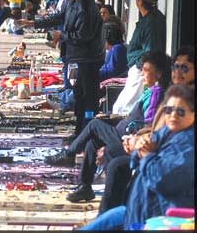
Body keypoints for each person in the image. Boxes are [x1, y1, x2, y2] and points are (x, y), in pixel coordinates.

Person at [45, 51, 170, 204]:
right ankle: (85, 187)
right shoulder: (149, 92)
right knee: (92, 143)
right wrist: (111, 118)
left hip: (127, 138)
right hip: (120, 131)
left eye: (146, 71)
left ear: (158, 73)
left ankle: (69, 153)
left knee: (94, 125)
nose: (142, 74)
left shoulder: (157, 93)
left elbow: (149, 123)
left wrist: (132, 134)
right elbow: (133, 116)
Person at [78, 84, 194, 230]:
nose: (173, 115)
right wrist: (136, 145)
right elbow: (139, 156)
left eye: (180, 111)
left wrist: (146, 155)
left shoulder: (188, 145)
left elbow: (160, 180)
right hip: (139, 209)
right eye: (168, 110)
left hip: (159, 216)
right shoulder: (168, 132)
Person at [97, 45, 195, 214]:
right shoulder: (174, 92)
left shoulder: (187, 99)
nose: (178, 72)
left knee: (118, 166)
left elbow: (170, 158)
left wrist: (145, 151)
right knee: (111, 152)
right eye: (175, 67)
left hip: (166, 166)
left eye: (184, 68)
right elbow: (159, 131)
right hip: (153, 151)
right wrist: (139, 142)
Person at [19, 0, 104, 136]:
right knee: (79, 96)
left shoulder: (86, 7)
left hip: (87, 59)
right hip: (77, 57)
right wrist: (33, 23)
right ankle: (80, 130)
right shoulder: (74, 1)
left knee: (87, 99)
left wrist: (61, 35)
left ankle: (87, 131)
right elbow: (59, 18)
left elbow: (83, 36)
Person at [112, 0, 166, 115]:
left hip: (141, 70)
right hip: (139, 68)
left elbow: (150, 51)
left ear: (140, 1)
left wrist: (140, 66)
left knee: (125, 109)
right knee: (120, 106)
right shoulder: (152, 18)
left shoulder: (151, 22)